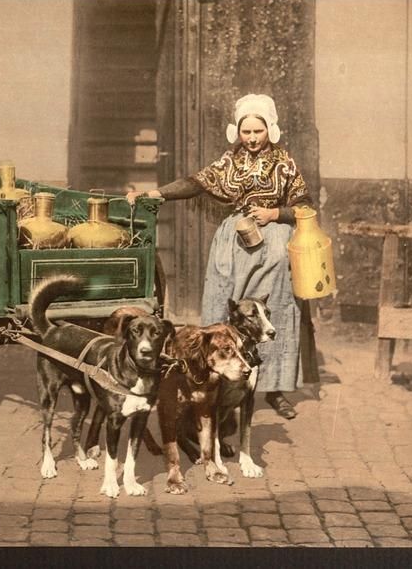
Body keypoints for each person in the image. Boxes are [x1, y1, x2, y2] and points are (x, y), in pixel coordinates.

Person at [127, 93, 319, 420]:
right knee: (226, 311)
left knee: (275, 316)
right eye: (247, 132)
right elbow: (195, 183)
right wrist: (155, 193)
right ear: (238, 132)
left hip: (274, 251)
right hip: (234, 244)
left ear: (269, 130)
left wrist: (275, 213)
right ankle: (223, 388)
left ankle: (275, 389)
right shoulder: (229, 162)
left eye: (258, 131)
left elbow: (306, 206)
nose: (253, 138)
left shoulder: (285, 164)